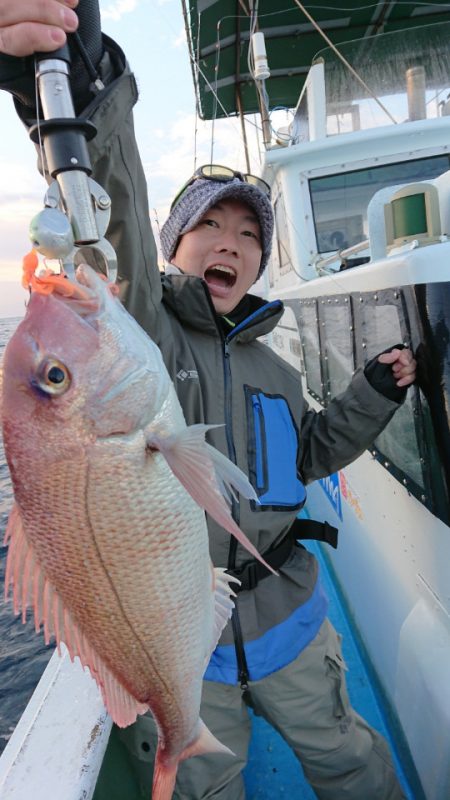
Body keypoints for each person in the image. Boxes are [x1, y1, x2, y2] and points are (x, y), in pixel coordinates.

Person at [0, 3, 417, 799]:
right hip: (190, 642)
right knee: (209, 785)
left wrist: (371, 395)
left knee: (347, 756)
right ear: (173, 248)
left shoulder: (276, 368)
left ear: (260, 262)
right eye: (209, 227)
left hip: (291, 618)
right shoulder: (145, 333)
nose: (230, 242)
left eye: (249, 235)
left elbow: (310, 453)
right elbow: (116, 216)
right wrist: (86, 90)